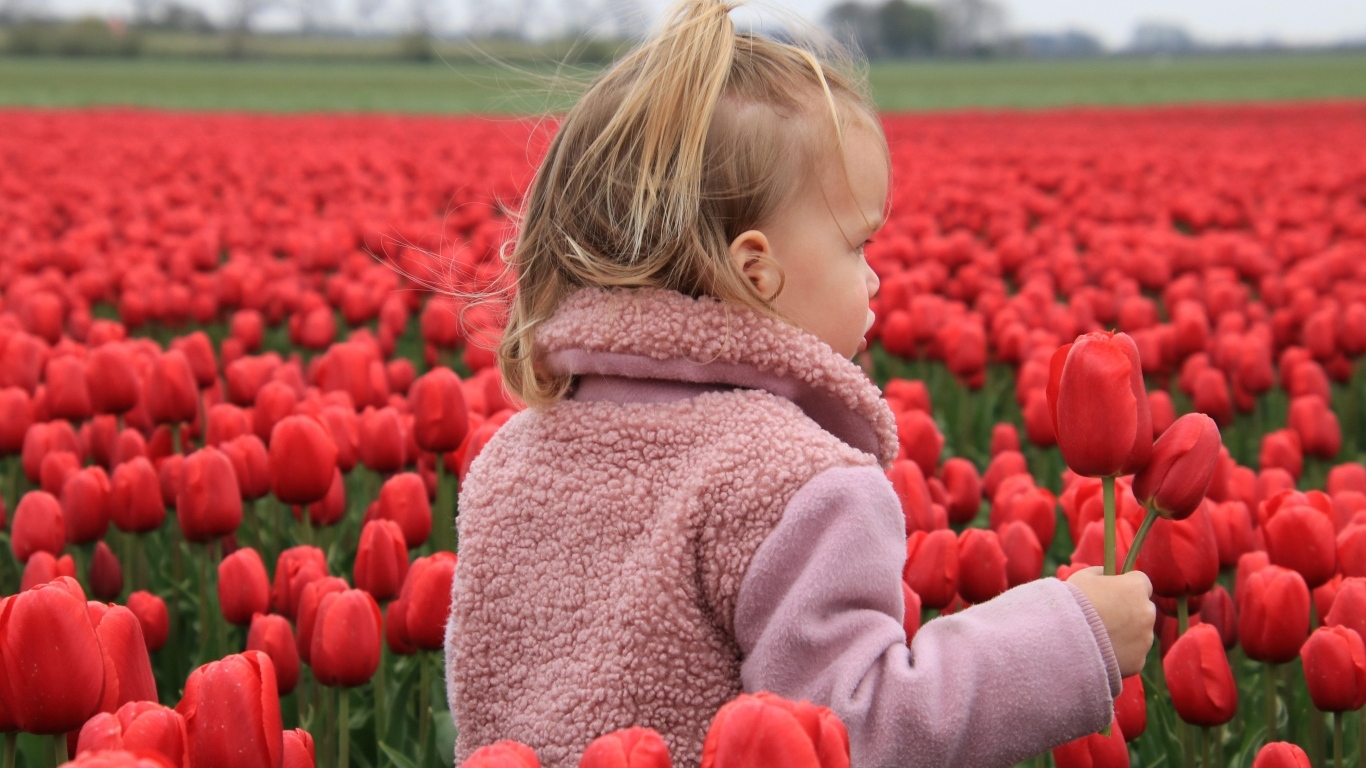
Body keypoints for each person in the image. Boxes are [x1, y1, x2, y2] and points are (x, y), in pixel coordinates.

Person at [444, 1, 1155, 766]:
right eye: (857, 244)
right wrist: (1069, 637)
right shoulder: (795, 484)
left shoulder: (510, 459)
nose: (876, 275)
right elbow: (856, 731)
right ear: (757, 271)